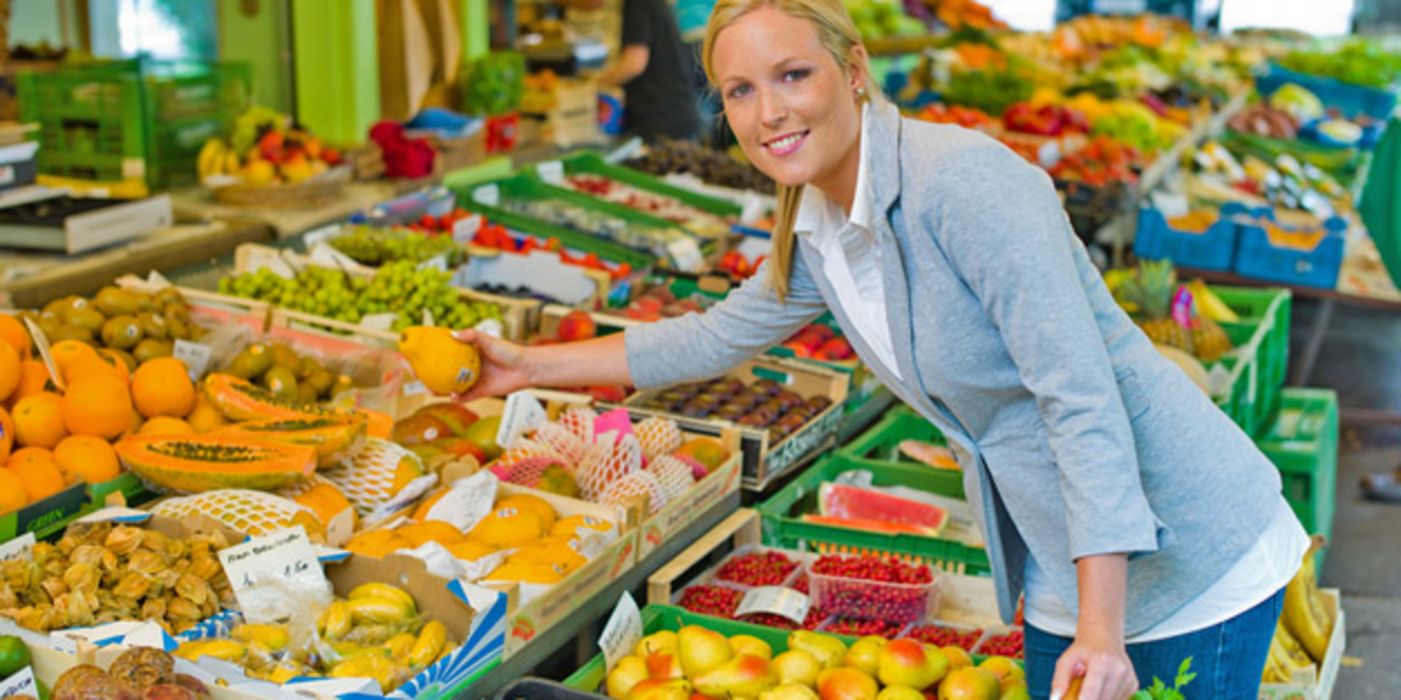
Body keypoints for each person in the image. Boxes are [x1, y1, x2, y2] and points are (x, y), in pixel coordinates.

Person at [454, 0, 1309, 697]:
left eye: (793, 76)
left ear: (853, 70)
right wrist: (528, 368)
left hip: (1184, 555)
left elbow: (1078, 398)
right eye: (740, 92)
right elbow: (716, 335)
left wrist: (1100, 626)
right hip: (1065, 557)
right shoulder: (819, 218)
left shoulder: (963, 184)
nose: (769, 112)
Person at [587, 0, 701, 141]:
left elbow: (633, 64)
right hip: (673, 112)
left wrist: (594, 83)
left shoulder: (638, 3)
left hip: (661, 118)